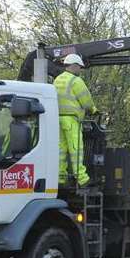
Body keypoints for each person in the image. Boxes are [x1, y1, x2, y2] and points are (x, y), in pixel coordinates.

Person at [54, 53, 98, 187]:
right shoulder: (75, 81)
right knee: (76, 149)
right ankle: (82, 179)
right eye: (79, 67)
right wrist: (94, 110)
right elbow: (86, 101)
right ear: (73, 66)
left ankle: (61, 178)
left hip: (57, 120)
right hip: (71, 120)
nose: (80, 70)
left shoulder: (57, 80)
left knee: (61, 149)